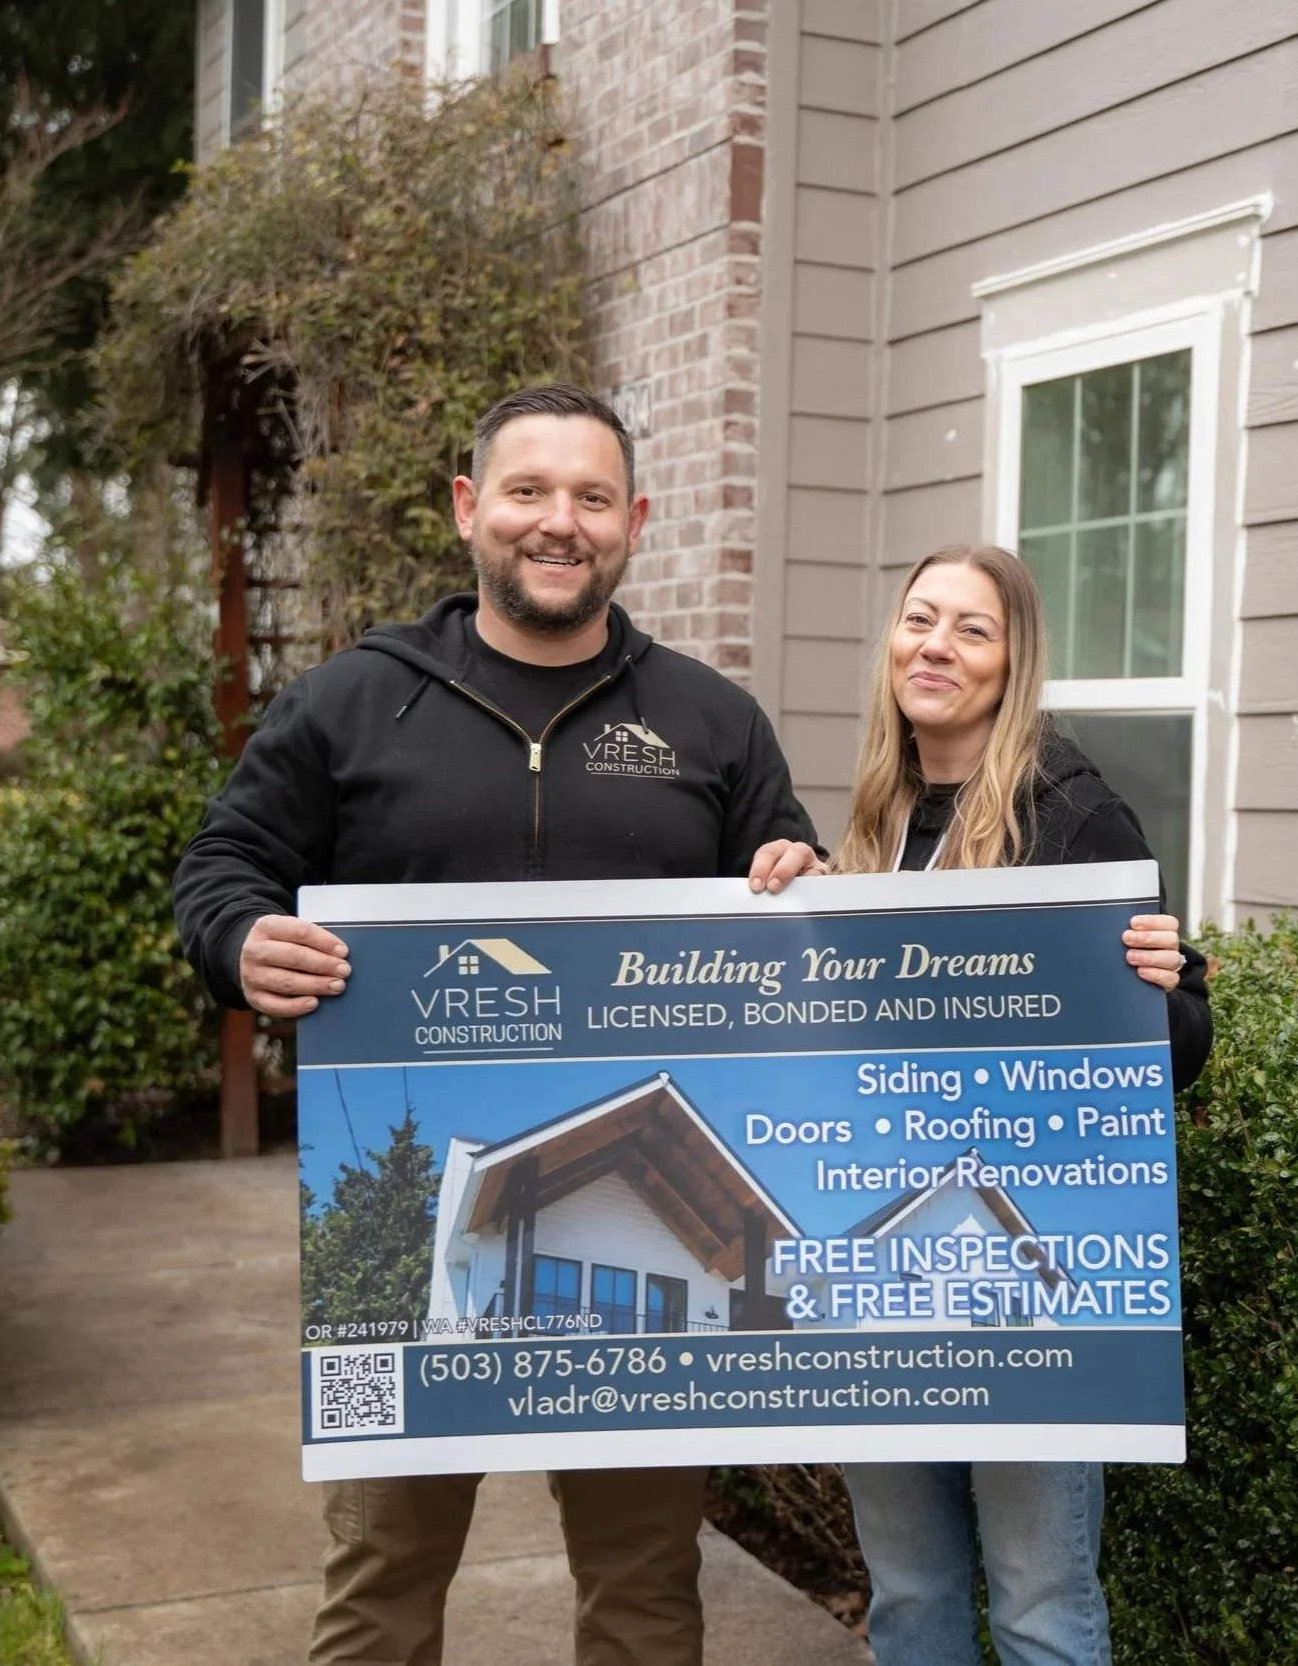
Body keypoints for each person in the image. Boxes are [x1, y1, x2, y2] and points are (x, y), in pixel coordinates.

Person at [174, 384, 819, 1666]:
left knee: (644, 1587)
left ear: (633, 521)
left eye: (590, 497)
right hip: (394, 1211)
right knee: (381, 1581)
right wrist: (242, 938)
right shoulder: (352, 703)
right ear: (471, 508)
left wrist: (795, 886)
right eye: (528, 491)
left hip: (642, 1224)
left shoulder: (707, 719)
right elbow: (223, 861)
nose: (557, 522)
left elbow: (784, 892)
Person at [750, 543, 1213, 1666]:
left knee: (1041, 1606)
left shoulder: (1075, 818)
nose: (936, 646)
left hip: (1024, 1268)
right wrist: (781, 900)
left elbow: (1171, 1050)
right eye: (920, 619)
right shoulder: (875, 817)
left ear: (1011, 665)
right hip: (877, 1266)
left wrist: (1173, 978)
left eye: (971, 628)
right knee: (908, 1598)